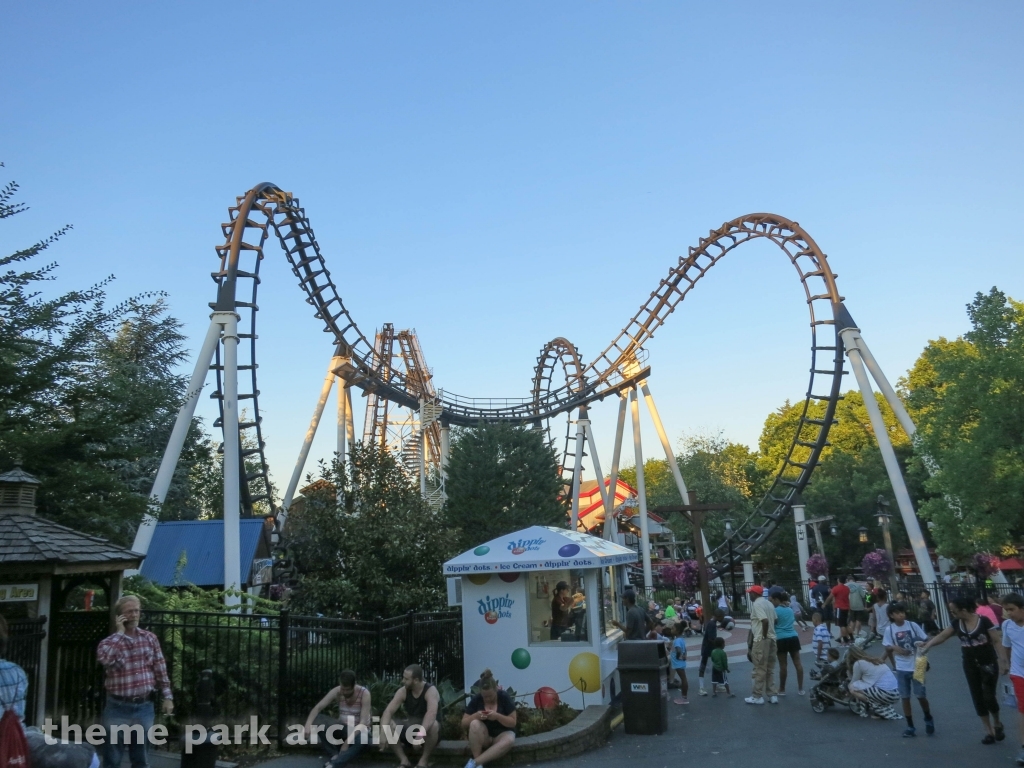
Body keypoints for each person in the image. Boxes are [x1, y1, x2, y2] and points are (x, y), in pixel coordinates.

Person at [96, 595, 173, 768]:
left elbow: (160, 668)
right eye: (129, 611)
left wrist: (168, 696)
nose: (134, 614)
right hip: (117, 708)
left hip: (144, 707)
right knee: (112, 758)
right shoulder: (108, 643)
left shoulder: (150, 638)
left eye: (137, 610)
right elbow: (106, 660)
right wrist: (120, 634)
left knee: (141, 758)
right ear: (119, 616)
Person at [921, 595, 1003, 744]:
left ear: (964, 609)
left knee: (989, 696)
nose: (952, 614)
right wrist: (927, 645)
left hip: (988, 663)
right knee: (977, 696)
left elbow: (996, 640)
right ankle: (988, 731)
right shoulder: (957, 623)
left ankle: (997, 722)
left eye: (954, 611)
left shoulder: (983, 621)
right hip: (970, 664)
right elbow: (943, 636)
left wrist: (1004, 662)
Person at [882, 602, 933, 737]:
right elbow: (887, 646)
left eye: (903, 612)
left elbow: (926, 639)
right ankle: (910, 726)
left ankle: (928, 717)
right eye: (898, 613)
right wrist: (893, 647)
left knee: (921, 695)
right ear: (892, 615)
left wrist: (922, 644)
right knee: (905, 697)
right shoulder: (890, 630)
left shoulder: (912, 625)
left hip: (918, 663)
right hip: (901, 666)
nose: (902, 615)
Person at [303, 670, 372, 767]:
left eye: (348, 690)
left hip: (359, 730)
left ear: (354, 685)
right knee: (319, 719)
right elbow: (318, 707)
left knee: (363, 739)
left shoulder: (364, 693)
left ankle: (334, 764)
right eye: (343, 689)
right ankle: (335, 755)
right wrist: (307, 724)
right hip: (343, 728)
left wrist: (347, 742)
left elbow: (363, 722)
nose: (344, 692)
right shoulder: (337, 691)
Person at [380, 664, 439, 768]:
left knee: (434, 725)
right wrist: (382, 732)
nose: (403, 681)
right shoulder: (403, 691)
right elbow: (388, 711)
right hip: (411, 728)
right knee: (389, 724)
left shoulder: (430, 691)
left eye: (406, 679)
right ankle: (404, 761)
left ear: (416, 680)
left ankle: (423, 761)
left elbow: (431, 713)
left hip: (427, 731)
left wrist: (420, 735)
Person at [462, 670, 516, 768]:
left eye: (490, 696)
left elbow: (513, 722)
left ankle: (475, 763)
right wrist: (476, 716)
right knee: (474, 724)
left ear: (496, 689)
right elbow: (464, 723)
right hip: (484, 736)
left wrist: (497, 716)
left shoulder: (504, 697)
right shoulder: (477, 699)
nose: (487, 699)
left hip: (501, 735)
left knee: (510, 739)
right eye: (485, 696)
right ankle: (479, 764)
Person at [999, 593, 1024, 766]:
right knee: (1022, 711)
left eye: (1012, 610)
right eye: (1007, 610)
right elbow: (1006, 647)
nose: (1009, 614)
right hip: (1019, 674)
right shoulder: (1007, 625)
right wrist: (1005, 664)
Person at [847, 645, 902, 720]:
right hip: (895, 692)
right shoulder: (874, 660)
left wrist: (848, 679)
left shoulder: (858, 663)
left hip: (886, 693)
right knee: (863, 688)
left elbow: (854, 681)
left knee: (852, 688)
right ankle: (878, 704)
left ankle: (876, 705)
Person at [745, 585, 778, 705]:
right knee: (770, 668)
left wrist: (763, 636)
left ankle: (757, 696)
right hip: (773, 639)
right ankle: (772, 694)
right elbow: (775, 620)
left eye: (750, 593)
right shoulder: (769, 604)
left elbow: (764, 620)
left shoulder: (757, 604)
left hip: (761, 640)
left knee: (760, 668)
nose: (749, 595)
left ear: (755, 594)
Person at [773, 592, 804, 696]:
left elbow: (774, 623)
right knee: (798, 663)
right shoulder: (790, 610)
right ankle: (800, 688)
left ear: (777, 599)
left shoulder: (775, 610)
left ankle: (782, 689)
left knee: (783, 665)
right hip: (793, 637)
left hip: (781, 638)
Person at [697, 609, 721, 697]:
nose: (722, 618)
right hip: (707, 650)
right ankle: (701, 687)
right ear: (718, 616)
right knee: (702, 668)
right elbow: (711, 639)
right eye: (721, 616)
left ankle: (716, 685)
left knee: (714, 667)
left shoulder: (712, 623)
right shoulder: (712, 624)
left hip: (710, 650)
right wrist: (718, 645)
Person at [824, 575, 851, 645]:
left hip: (839, 608)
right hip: (846, 607)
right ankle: (851, 637)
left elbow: (830, 597)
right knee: (845, 624)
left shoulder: (836, 588)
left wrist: (825, 604)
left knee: (841, 625)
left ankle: (845, 639)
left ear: (838, 580)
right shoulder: (847, 588)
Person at [669, 623, 689, 705]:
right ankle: (683, 697)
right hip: (680, 663)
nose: (671, 630)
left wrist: (678, 657)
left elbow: (679, 650)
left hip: (678, 663)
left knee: (683, 679)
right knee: (683, 679)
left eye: (673, 628)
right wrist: (684, 656)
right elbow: (685, 650)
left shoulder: (677, 641)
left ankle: (684, 698)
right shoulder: (681, 639)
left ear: (677, 631)